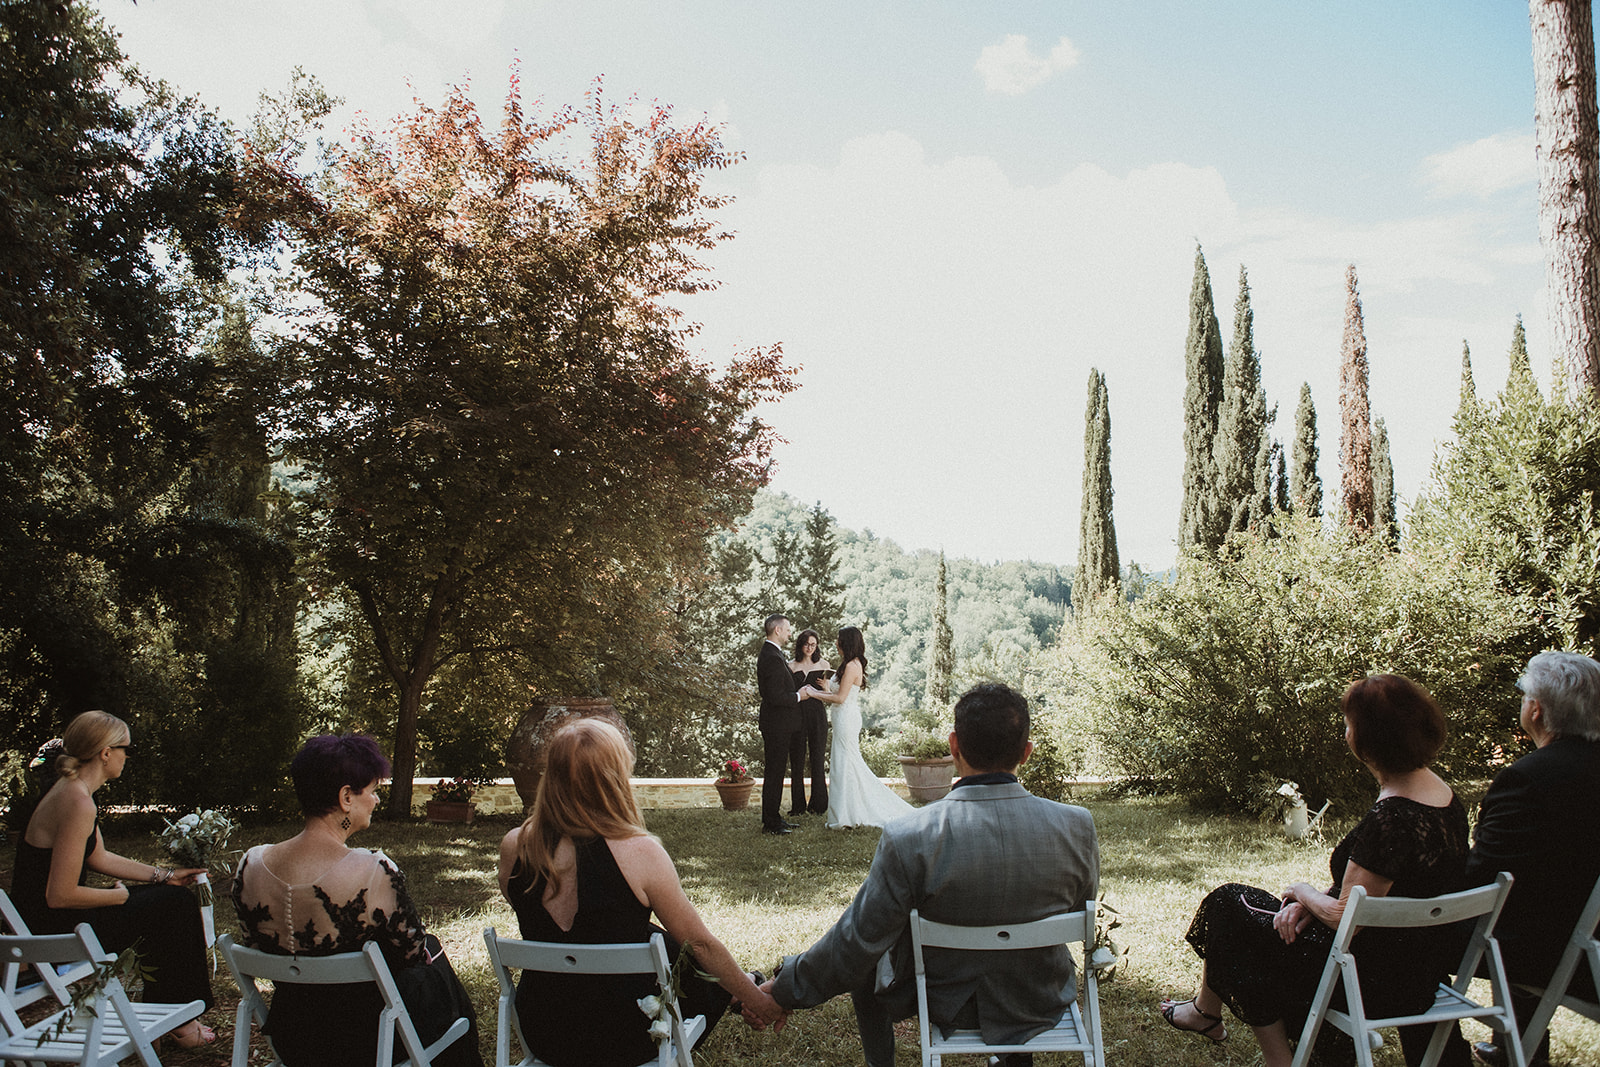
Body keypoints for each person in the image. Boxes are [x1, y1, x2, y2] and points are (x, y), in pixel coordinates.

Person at [761, 682, 1099, 1067]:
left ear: (954, 747)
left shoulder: (910, 836)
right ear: (1026, 752)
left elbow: (856, 941)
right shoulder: (1077, 827)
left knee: (870, 955)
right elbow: (1077, 910)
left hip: (943, 998)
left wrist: (785, 988)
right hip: (1038, 997)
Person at [1161, 674, 1469, 1067]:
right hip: (1422, 970)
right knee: (1265, 919)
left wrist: (1304, 893)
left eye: (1349, 724)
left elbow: (1348, 917)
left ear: (1370, 739)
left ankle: (1259, 1048)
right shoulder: (1443, 798)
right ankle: (1205, 1013)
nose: (1345, 732)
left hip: (1366, 978)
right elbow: (1370, 891)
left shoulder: (1391, 818)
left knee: (1229, 906)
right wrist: (1312, 906)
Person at [497, 718, 785, 1066]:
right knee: (678, 944)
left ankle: (741, 990)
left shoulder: (515, 845)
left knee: (655, 938)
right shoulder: (640, 852)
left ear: (552, 776)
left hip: (547, 1032)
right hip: (630, 1036)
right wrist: (759, 999)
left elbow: (525, 909)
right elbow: (702, 945)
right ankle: (743, 990)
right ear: (614, 777)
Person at [230, 734, 482, 1067]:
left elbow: (252, 943)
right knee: (432, 952)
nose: (376, 800)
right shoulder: (373, 870)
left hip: (295, 1039)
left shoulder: (251, 864)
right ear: (346, 797)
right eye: (373, 791)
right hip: (370, 1044)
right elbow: (412, 953)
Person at [10, 711, 216, 1047]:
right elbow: (58, 895)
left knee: (167, 898)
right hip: (49, 929)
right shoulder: (77, 801)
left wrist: (164, 876)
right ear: (106, 752)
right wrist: (117, 897)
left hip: (47, 919)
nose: (127, 757)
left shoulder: (73, 790)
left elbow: (97, 857)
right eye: (126, 749)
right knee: (174, 907)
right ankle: (179, 1021)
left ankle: (174, 1016)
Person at [1452, 651, 1600, 1067]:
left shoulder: (1527, 778)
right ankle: (1516, 1048)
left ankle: (1442, 1051)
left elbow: (1483, 879)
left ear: (1536, 710)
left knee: (1433, 928)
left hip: (1561, 951)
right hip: (1584, 929)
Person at [806, 626, 913, 828]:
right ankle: (846, 811)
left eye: (839, 640)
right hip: (842, 717)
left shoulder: (852, 666)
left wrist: (812, 693)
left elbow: (840, 698)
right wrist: (825, 689)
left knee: (845, 763)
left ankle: (847, 814)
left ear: (847, 643)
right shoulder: (847, 664)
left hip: (846, 718)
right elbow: (837, 693)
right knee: (843, 763)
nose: (836, 643)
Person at [755, 613, 806, 834]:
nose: (789, 633)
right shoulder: (771, 657)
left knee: (776, 772)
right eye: (787, 630)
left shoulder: (773, 654)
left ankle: (774, 818)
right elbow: (775, 696)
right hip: (776, 725)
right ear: (777, 630)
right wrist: (799, 696)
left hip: (779, 724)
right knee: (774, 773)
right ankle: (771, 823)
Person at [789, 628, 831, 817]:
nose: (810, 648)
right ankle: (798, 806)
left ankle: (818, 804)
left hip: (817, 715)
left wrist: (825, 687)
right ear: (800, 645)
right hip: (796, 715)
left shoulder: (823, 664)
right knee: (797, 760)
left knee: (817, 758)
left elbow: (828, 695)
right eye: (806, 644)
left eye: (813, 645)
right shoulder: (790, 666)